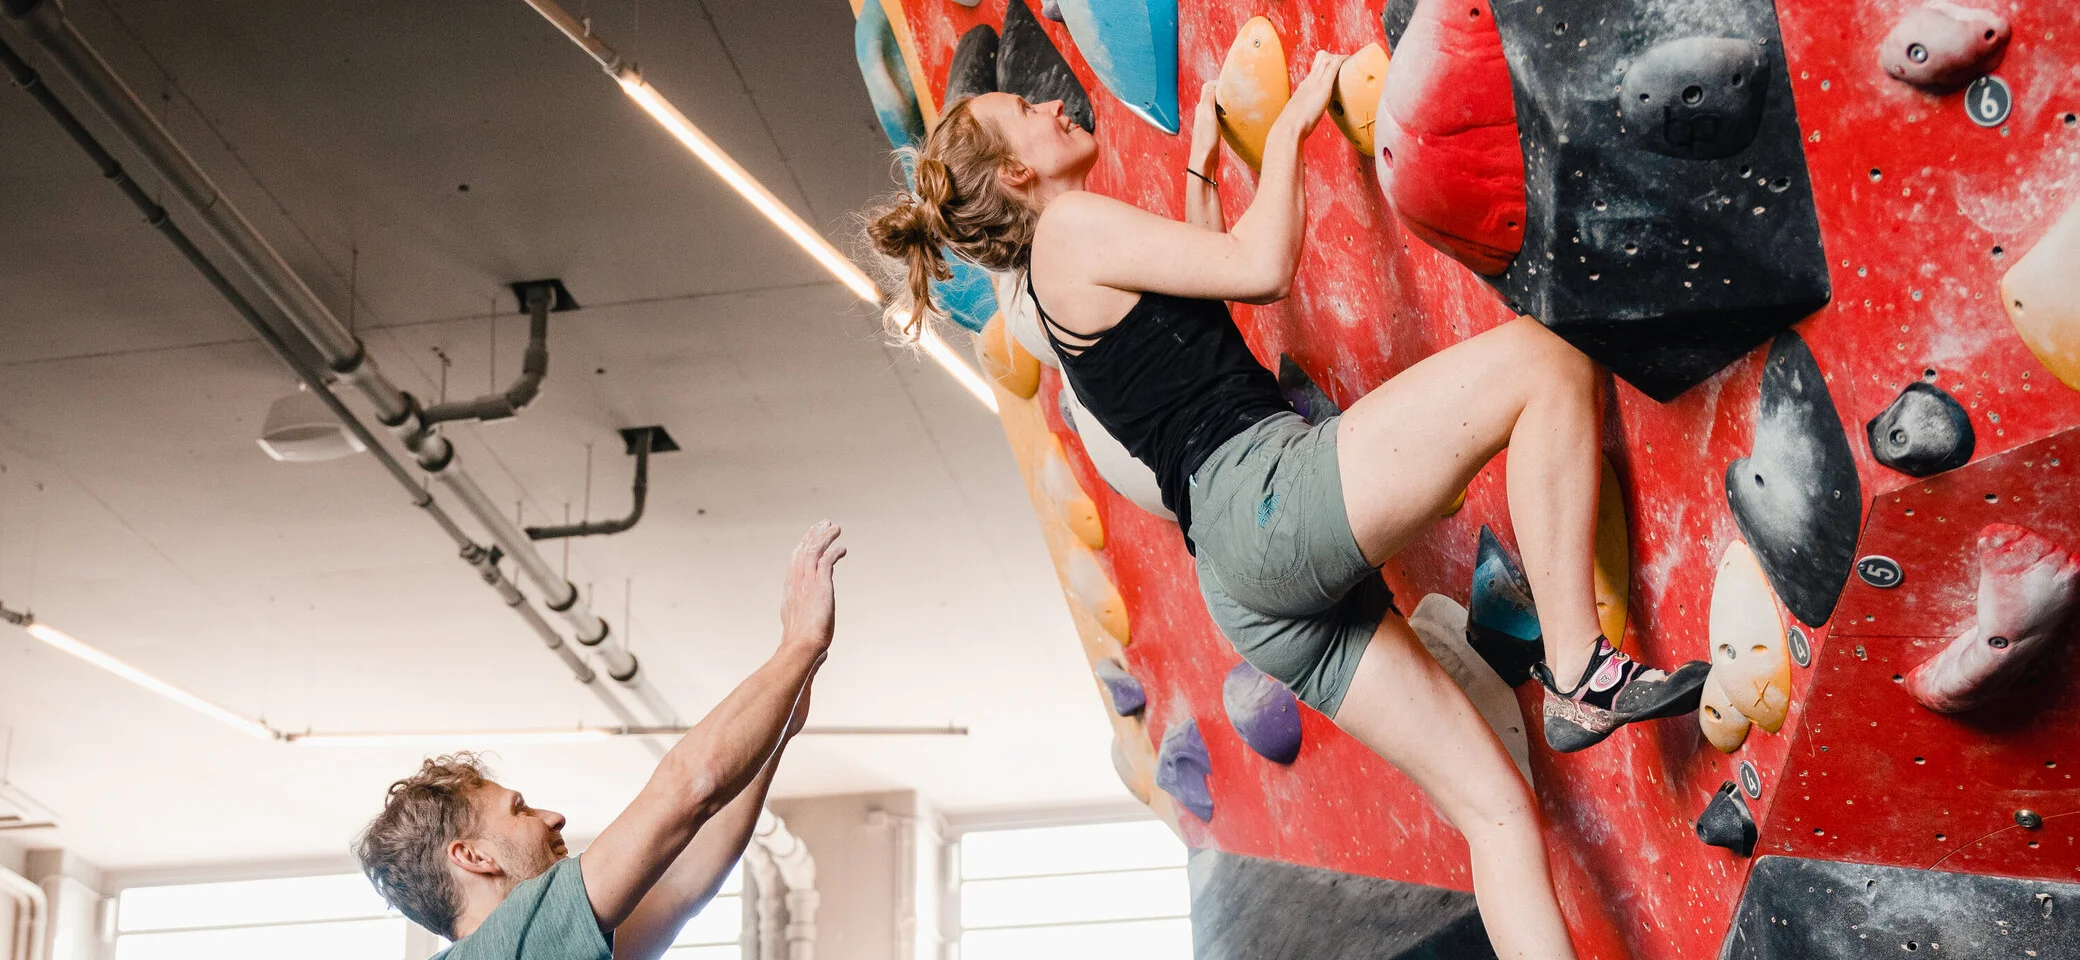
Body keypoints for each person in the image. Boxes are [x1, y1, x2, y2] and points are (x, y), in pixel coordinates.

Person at [866, 53, 1710, 960]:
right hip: (1262, 498)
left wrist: (1198, 169)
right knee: (1547, 362)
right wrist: (1294, 125)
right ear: (1018, 173)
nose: (1049, 102)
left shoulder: (1049, 274)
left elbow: (1200, 304)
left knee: (1497, 812)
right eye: (1024, 108)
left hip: (1244, 585)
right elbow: (1260, 268)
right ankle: (1580, 670)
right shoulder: (1068, 227)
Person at [353, 521, 846, 960]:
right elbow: (688, 787)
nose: (553, 817)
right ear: (473, 857)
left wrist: (778, 726)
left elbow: (680, 885)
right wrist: (799, 644)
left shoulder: (546, 948)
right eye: (519, 810)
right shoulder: (505, 948)